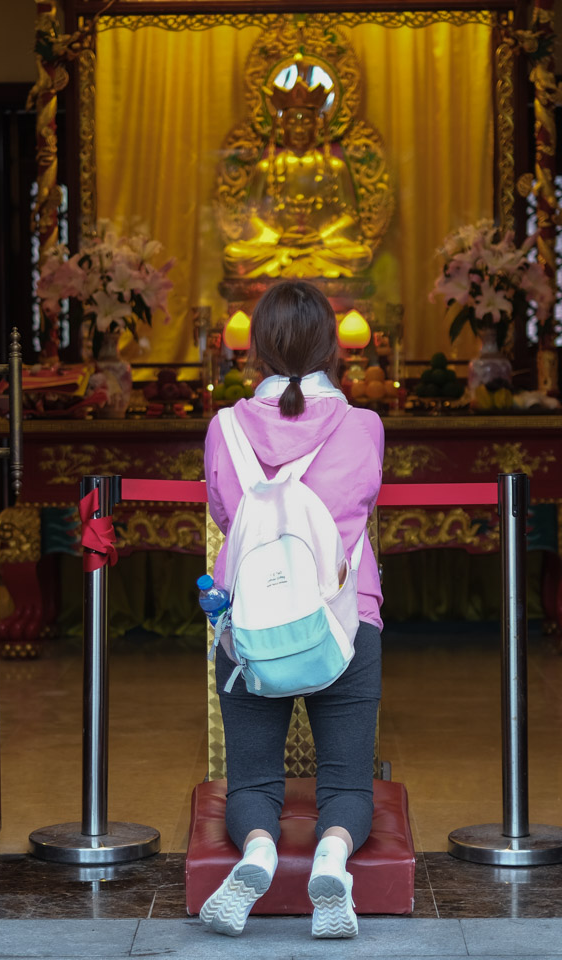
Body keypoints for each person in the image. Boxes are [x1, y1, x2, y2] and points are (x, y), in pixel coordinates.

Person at [200, 279, 384, 938]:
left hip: (250, 622)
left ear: (257, 350)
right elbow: (362, 507)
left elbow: (227, 514)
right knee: (346, 784)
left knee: (251, 778)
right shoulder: (364, 426)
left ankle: (257, 853)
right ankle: (332, 858)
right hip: (346, 618)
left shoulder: (225, 428)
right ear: (334, 347)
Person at [222, 79, 373, 279]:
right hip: (278, 247)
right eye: (292, 122)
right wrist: (278, 238)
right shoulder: (266, 168)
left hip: (321, 248)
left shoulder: (335, 168)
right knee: (233, 255)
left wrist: (320, 237)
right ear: (282, 125)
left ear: (318, 125)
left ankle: (297, 264)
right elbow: (250, 217)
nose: (300, 130)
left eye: (306, 122)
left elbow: (351, 218)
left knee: (361, 255)